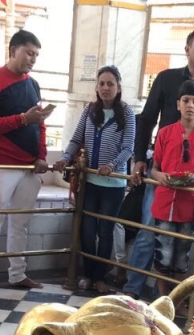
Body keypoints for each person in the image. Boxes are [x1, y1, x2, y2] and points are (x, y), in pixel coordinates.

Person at [124, 28, 194, 299]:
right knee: (149, 233)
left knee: (187, 241)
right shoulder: (166, 78)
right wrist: (139, 160)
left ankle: (178, 300)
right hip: (163, 176)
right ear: (187, 48)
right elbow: (146, 119)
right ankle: (132, 294)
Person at [0, 29, 52, 296]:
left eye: (37, 55)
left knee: (21, 222)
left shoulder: (33, 84)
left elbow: (40, 125)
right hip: (2, 164)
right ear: (13, 50)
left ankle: (17, 273)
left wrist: (41, 156)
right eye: (29, 53)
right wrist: (21, 119)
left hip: (30, 166)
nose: (33, 59)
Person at [53, 65, 135, 294]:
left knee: (105, 231)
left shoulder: (126, 113)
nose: (105, 88)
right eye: (102, 84)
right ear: (96, 88)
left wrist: (112, 165)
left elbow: (128, 147)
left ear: (118, 88)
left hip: (113, 185)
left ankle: (101, 278)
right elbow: (76, 138)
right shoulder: (90, 110)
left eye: (110, 84)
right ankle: (88, 274)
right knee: (87, 229)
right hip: (90, 182)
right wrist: (65, 157)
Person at [149, 80, 194, 296]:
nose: (190, 105)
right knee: (163, 251)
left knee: (182, 256)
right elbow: (155, 169)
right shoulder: (165, 133)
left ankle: (177, 297)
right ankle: (162, 297)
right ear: (178, 104)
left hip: (190, 206)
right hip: (165, 202)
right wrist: (160, 176)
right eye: (186, 101)